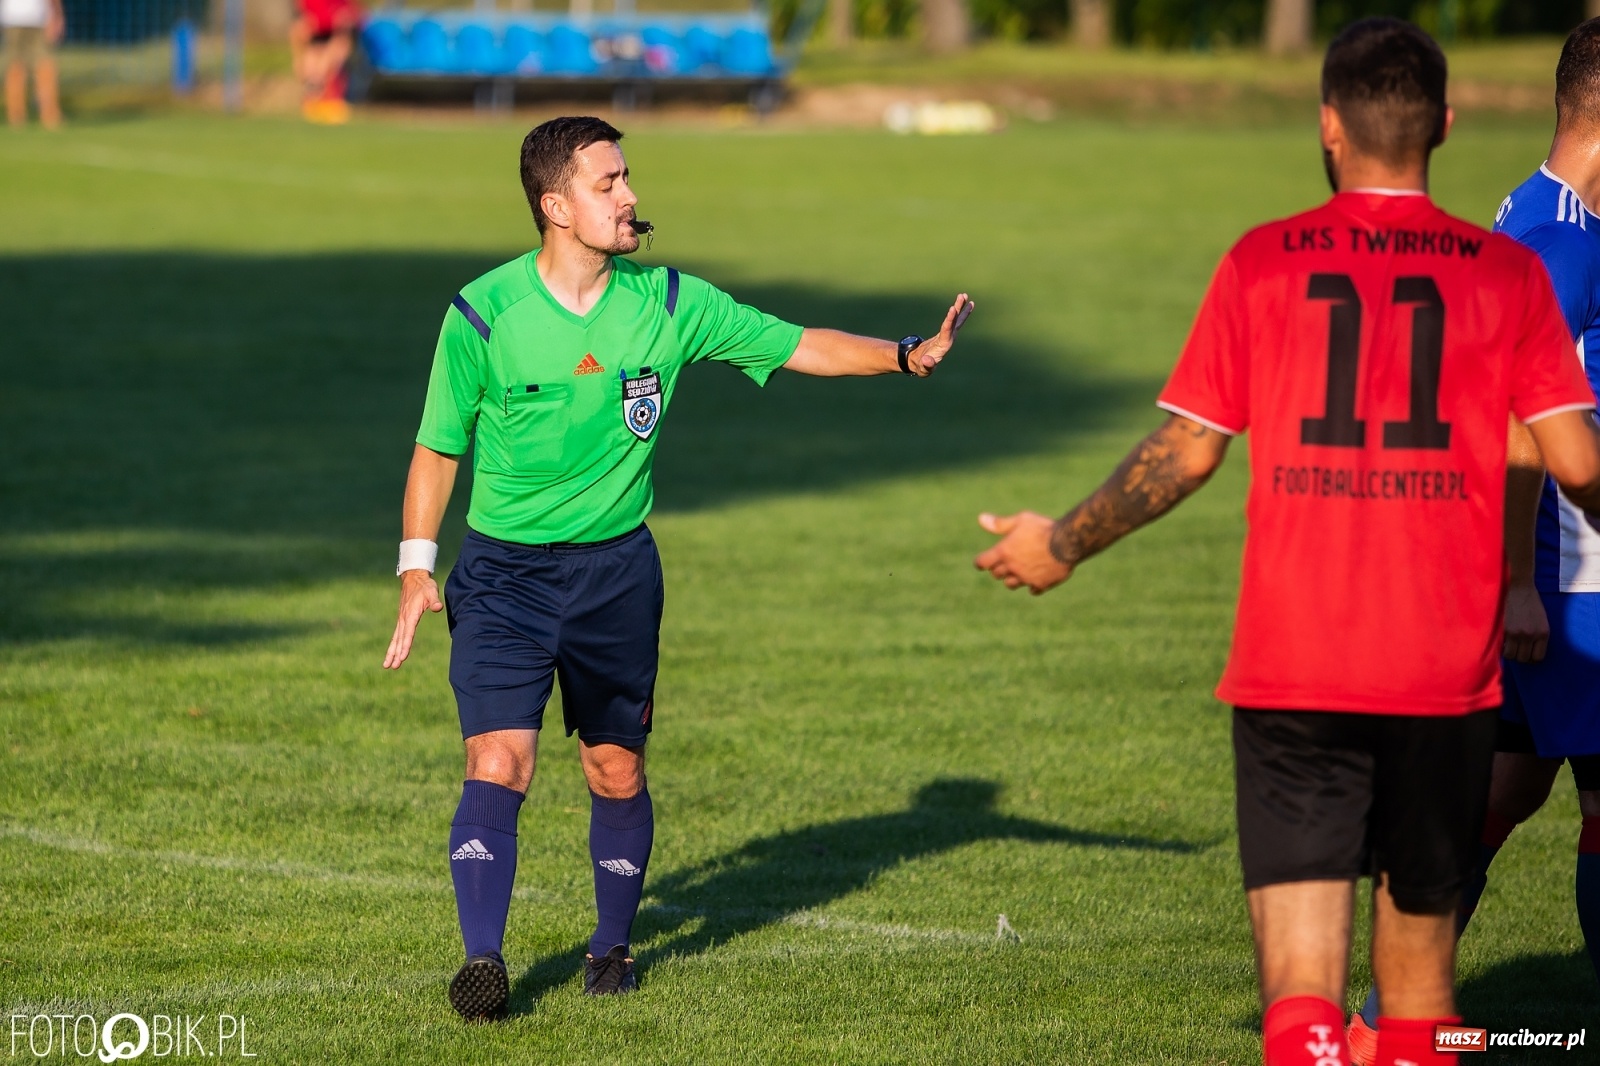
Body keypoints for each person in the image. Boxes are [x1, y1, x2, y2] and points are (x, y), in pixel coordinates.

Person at [973, 19, 1600, 1066]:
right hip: (1442, 674)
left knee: (1303, 1013)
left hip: (1295, 668)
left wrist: (1062, 542)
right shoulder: (1507, 275)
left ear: (1326, 126)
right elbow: (1577, 467)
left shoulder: (1263, 262)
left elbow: (1184, 452)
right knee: (1417, 1017)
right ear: (1444, 125)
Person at [382, 116, 974, 1021]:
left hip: (617, 574)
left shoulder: (668, 302)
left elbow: (792, 342)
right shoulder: (480, 313)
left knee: (615, 769)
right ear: (555, 205)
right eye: (607, 183)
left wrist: (901, 356)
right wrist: (418, 567)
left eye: (627, 179)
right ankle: (484, 964)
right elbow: (436, 447)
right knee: (498, 759)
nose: (629, 197)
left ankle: (613, 946)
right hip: (502, 576)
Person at [1345, 19, 1600, 1063]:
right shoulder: (1558, 241)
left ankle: (1381, 1021)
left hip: (1560, 566)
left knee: (1508, 786)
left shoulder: (1560, 221)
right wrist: (1512, 586)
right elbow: (1503, 416)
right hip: (1565, 574)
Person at [289, 0, 360, 124]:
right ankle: (314, 101)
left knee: (332, 56)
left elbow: (357, 16)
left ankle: (328, 101)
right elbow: (310, 22)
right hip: (317, 38)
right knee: (313, 64)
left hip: (334, 36)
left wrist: (344, 18)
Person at [2, 0, 62, 130]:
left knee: (44, 65)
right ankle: (17, 116)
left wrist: (56, 16)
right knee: (17, 66)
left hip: (37, 19)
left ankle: (49, 115)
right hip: (16, 18)